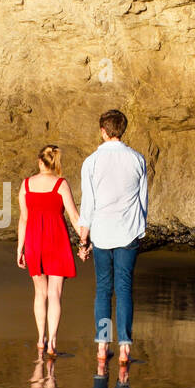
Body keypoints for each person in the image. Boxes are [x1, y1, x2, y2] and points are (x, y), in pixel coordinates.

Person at [77, 109, 148, 367]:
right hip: (128, 231)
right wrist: (141, 229)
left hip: (103, 233)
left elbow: (88, 204)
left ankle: (103, 344)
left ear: (103, 131)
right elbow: (143, 200)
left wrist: (84, 238)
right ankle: (125, 348)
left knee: (104, 290)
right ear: (122, 130)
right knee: (125, 288)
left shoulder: (92, 162)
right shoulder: (137, 159)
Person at [17, 144, 86, 357]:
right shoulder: (61, 184)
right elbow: (75, 217)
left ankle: (40, 339)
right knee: (55, 294)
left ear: (40, 162)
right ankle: (52, 342)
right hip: (57, 240)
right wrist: (84, 241)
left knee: (40, 293)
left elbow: (24, 219)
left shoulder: (26, 184)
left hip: (34, 241)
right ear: (55, 163)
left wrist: (20, 247)